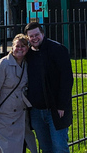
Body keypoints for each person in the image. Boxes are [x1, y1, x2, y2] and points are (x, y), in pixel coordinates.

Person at [24, 21, 74, 153]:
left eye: (37, 35)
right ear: (27, 38)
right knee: (45, 147)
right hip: (36, 110)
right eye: (31, 36)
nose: (34, 38)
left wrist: (62, 105)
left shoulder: (57, 49)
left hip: (55, 108)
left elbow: (67, 79)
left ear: (43, 34)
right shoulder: (28, 55)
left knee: (59, 146)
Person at [0, 34, 38, 153]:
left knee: (21, 146)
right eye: (17, 46)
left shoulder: (26, 64)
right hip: (4, 117)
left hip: (20, 115)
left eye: (23, 46)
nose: (20, 49)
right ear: (12, 47)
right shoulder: (2, 65)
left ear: (27, 49)